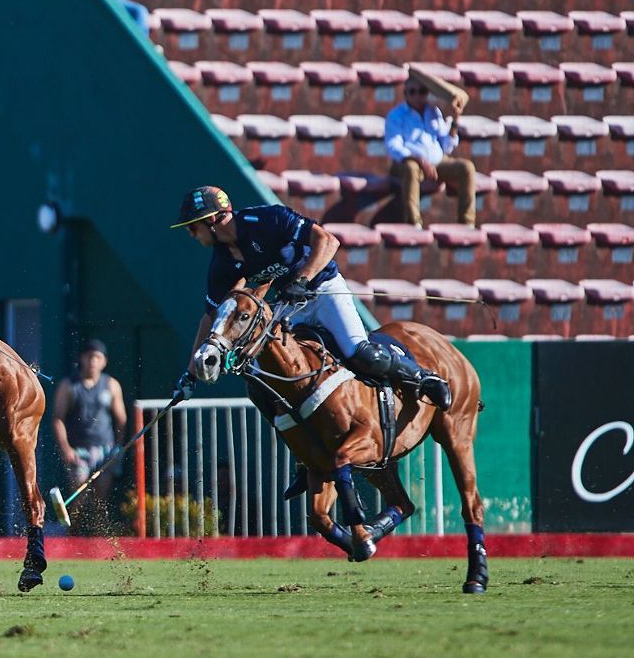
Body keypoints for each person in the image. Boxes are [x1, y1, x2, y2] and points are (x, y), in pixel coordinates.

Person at [170, 186, 453, 494]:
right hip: (291, 306)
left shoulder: (268, 219)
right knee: (260, 385)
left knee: (360, 352)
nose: (190, 234)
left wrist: (303, 278)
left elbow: (328, 241)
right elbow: (211, 317)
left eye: (193, 227)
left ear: (213, 219)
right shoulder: (222, 264)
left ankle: (424, 378)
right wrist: (191, 372)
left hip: (324, 289)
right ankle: (305, 457)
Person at [51, 339, 127, 534]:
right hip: (78, 450)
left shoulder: (111, 385)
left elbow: (121, 420)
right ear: (82, 358)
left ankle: (98, 536)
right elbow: (58, 418)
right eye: (89, 356)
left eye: (97, 357)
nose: (93, 361)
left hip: (105, 451)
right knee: (80, 491)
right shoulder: (68, 386)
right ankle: (73, 533)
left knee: (101, 494)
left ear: (104, 361)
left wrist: (117, 448)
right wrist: (66, 449)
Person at [384, 74, 477, 228]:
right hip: (408, 163)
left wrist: (455, 121)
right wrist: (420, 160)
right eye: (412, 92)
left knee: (467, 168)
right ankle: (414, 222)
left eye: (422, 91)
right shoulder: (396, 115)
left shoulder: (433, 111)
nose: (417, 96)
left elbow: (446, 146)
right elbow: (393, 146)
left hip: (437, 162)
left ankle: (467, 222)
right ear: (405, 94)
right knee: (411, 169)